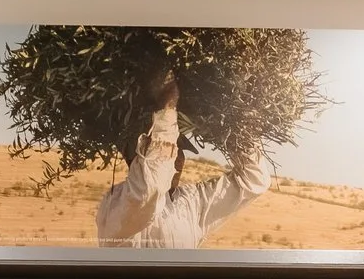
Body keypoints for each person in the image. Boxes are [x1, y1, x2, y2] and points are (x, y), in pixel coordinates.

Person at [95, 78, 270, 248]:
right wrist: (167, 109)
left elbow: (254, 180)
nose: (177, 158)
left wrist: (235, 128)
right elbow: (148, 190)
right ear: (133, 158)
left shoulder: (192, 202)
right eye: (169, 148)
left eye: (179, 149)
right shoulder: (115, 205)